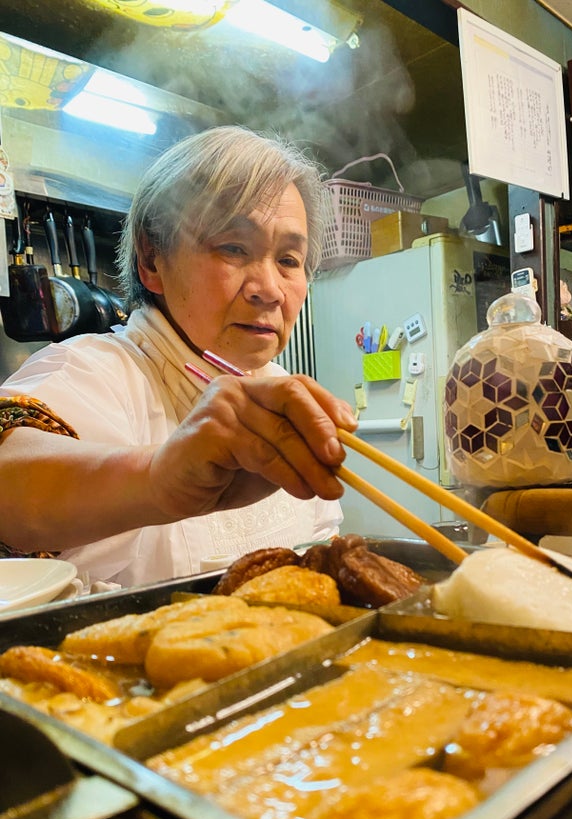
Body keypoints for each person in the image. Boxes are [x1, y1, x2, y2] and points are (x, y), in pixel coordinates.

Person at [0, 125, 357, 588]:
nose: (270, 290)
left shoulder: (281, 393)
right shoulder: (90, 371)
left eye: (289, 260)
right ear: (152, 260)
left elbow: (321, 544)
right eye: (233, 248)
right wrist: (160, 478)